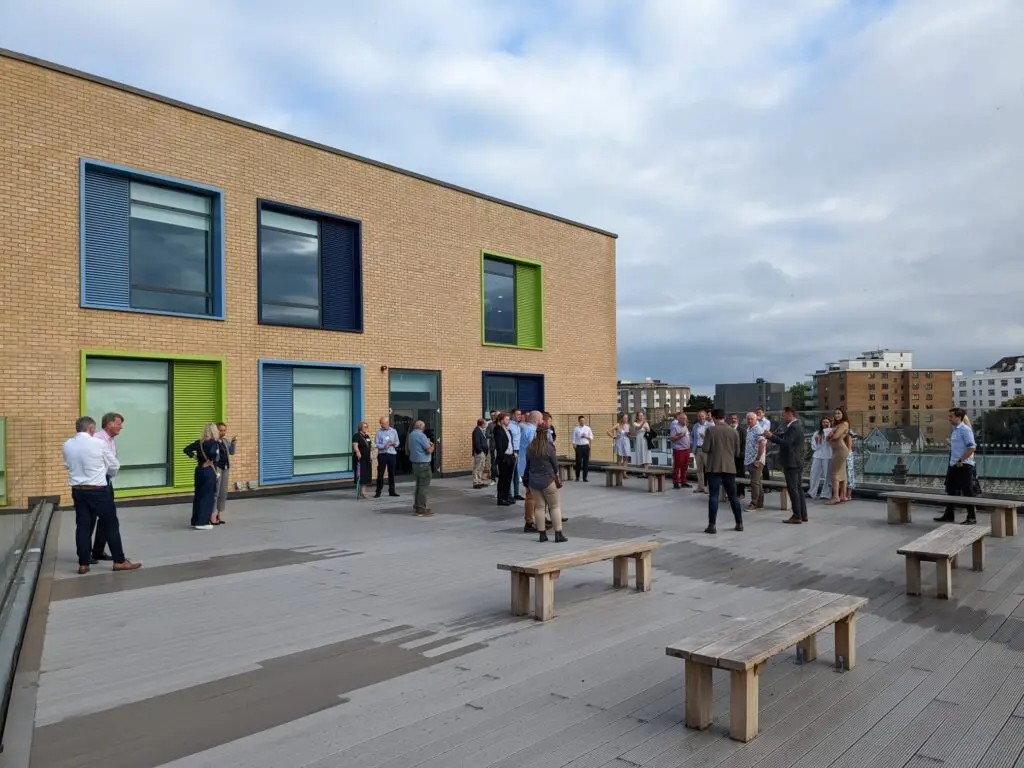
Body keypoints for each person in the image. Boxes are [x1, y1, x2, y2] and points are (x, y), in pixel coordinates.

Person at [63, 416, 141, 574]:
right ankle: (119, 561)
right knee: (111, 524)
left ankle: (83, 563)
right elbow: (114, 465)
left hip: (78, 490)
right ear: (91, 429)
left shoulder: (67, 444)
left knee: (83, 526)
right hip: (98, 489)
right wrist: (106, 476)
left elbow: (68, 465)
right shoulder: (99, 443)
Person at [701, 409, 744, 534]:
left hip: (714, 468)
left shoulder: (710, 430)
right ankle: (739, 523)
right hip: (730, 468)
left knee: (713, 496)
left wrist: (705, 439)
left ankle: (712, 525)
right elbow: (737, 452)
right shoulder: (733, 431)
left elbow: (705, 448)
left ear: (713, 417)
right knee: (733, 497)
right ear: (724, 417)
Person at [764, 407, 808, 524]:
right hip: (795, 461)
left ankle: (797, 515)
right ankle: (803, 514)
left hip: (791, 462)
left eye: (784, 415)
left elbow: (787, 443)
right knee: (798, 489)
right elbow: (787, 439)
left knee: (793, 489)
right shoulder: (795, 426)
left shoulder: (793, 427)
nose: (783, 417)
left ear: (790, 414)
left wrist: (771, 437)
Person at [90, 411, 123, 562]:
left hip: (107, 482)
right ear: (109, 424)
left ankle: (98, 550)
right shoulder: (97, 439)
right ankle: (86, 553)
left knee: (105, 519)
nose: (121, 427)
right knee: (94, 518)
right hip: (97, 483)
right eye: (118, 424)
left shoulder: (110, 440)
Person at [525, 426, 568, 543]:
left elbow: (527, 466)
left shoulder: (530, 448)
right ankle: (558, 534)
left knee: (539, 508)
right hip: (548, 480)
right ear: (546, 434)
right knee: (554, 506)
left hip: (534, 481)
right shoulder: (549, 448)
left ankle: (542, 534)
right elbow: (555, 465)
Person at [935, 408, 977, 525]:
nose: (949, 419)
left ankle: (972, 517)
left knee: (967, 490)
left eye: (951, 416)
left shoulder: (965, 430)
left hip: (963, 465)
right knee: (951, 489)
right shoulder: (955, 430)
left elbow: (972, 447)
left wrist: (961, 460)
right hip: (954, 464)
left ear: (958, 417)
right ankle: (949, 515)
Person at [184, 423, 222, 530]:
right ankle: (202, 522)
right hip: (209, 471)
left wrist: (196, 458)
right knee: (207, 496)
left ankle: (195, 520)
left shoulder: (199, 443)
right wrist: (210, 460)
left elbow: (186, 450)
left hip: (199, 470)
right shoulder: (214, 443)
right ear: (214, 431)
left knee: (198, 495)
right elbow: (213, 454)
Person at [408, 420, 435, 517]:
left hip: (415, 464)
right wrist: (432, 445)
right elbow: (428, 450)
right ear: (422, 427)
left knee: (419, 486)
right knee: (423, 487)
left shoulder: (411, 434)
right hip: (423, 464)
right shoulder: (421, 435)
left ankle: (417, 506)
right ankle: (421, 509)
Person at [826, 408, 851, 506]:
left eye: (839, 413)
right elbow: (828, 437)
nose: (836, 415)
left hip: (840, 450)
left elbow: (836, 436)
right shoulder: (838, 425)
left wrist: (831, 435)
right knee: (842, 473)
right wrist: (830, 435)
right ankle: (842, 496)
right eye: (835, 413)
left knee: (834, 472)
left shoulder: (844, 424)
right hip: (837, 450)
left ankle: (835, 497)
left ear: (843, 414)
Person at [214, 422, 236, 524]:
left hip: (226, 468)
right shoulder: (213, 442)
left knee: (223, 492)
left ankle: (220, 513)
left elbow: (231, 452)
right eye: (221, 430)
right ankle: (212, 514)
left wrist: (233, 443)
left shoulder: (225, 441)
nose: (223, 432)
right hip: (217, 468)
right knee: (216, 492)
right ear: (216, 430)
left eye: (224, 430)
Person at [743, 412, 766, 511]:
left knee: (754, 482)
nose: (749, 420)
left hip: (756, 460)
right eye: (748, 419)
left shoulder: (758, 429)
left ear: (756, 419)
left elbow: (762, 444)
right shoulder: (749, 428)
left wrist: (758, 459)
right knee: (757, 482)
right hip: (749, 459)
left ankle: (754, 503)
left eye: (751, 419)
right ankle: (760, 503)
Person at [493, 412, 516, 507]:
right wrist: (502, 458)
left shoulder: (508, 430)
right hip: (504, 457)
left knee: (508, 478)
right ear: (501, 420)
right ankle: (501, 498)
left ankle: (507, 496)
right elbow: (499, 447)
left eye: (509, 419)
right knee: (503, 478)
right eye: (506, 419)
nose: (508, 421)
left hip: (510, 456)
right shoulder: (498, 430)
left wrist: (513, 452)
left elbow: (510, 443)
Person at [809, 417, 833, 500]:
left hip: (828, 456)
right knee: (814, 473)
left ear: (830, 423)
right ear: (821, 423)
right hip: (817, 455)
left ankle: (826, 494)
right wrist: (818, 442)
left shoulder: (832, 432)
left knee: (827, 475)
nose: (825, 423)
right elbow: (813, 447)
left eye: (827, 422)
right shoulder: (817, 433)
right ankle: (812, 492)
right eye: (823, 422)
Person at [669, 412, 691, 489]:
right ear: (679, 419)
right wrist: (681, 435)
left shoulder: (685, 426)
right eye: (683, 419)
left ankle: (684, 481)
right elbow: (672, 438)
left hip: (687, 449)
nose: (685, 420)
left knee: (685, 466)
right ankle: (676, 482)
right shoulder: (675, 427)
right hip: (679, 450)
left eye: (686, 418)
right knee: (677, 466)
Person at [352, 421, 372, 499]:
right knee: (361, 475)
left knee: (366, 475)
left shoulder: (367, 436)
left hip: (367, 458)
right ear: (360, 427)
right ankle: (361, 492)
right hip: (360, 458)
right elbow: (355, 445)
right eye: (364, 427)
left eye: (367, 426)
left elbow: (369, 447)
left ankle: (363, 492)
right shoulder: (356, 436)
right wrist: (358, 452)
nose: (366, 428)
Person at [692, 410, 711, 493]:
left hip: (706, 450)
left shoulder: (710, 425)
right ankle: (701, 486)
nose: (701, 418)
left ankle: (709, 487)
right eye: (699, 416)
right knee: (699, 469)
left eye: (702, 416)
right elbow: (692, 436)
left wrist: (705, 437)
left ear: (706, 416)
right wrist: (692, 446)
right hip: (697, 449)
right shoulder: (695, 426)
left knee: (708, 469)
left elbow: (713, 439)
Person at [571, 415, 593, 482]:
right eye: (581, 421)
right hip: (579, 447)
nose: (582, 422)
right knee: (578, 462)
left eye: (583, 420)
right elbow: (573, 438)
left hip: (586, 446)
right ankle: (577, 477)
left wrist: (586, 436)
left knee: (586, 463)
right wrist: (574, 445)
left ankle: (585, 477)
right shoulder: (576, 429)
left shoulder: (588, 428)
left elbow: (592, 437)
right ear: (579, 421)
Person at [471, 418, 489, 488]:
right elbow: (476, 442)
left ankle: (479, 481)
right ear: (482, 424)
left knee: (482, 467)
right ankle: (475, 482)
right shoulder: (477, 431)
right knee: (477, 467)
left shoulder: (481, 430)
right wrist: (480, 451)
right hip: (479, 452)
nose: (487, 424)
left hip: (483, 452)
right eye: (485, 423)